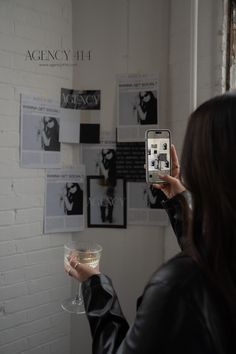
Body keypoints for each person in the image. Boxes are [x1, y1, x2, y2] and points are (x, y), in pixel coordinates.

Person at [65, 93, 236, 353]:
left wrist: (95, 285)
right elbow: (212, 254)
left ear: (201, 164)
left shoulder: (178, 286)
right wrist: (180, 201)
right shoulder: (223, 257)